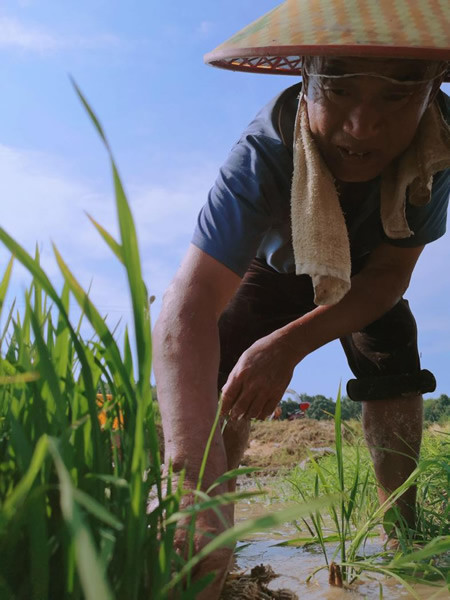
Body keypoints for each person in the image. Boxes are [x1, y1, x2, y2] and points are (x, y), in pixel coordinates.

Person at [153, 1, 450, 597]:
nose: (362, 127)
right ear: (306, 79)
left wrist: (289, 346)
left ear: (431, 90)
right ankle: (212, 531)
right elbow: (190, 303)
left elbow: (391, 274)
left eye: (395, 96)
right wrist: (187, 477)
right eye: (338, 90)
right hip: (277, 265)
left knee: (394, 362)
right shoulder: (263, 152)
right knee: (226, 378)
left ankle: (403, 532)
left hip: (371, 270)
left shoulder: (438, 144)